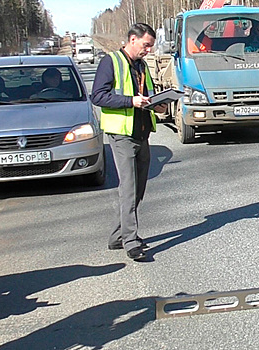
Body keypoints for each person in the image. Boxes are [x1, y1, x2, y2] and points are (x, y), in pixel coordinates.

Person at [91, 23, 167, 261]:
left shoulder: (142, 66)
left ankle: (117, 236)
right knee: (128, 187)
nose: (148, 50)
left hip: (142, 133)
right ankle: (131, 242)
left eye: (151, 46)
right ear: (132, 40)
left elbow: (148, 96)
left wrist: (159, 104)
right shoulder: (111, 62)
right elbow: (98, 96)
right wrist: (130, 101)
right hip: (121, 134)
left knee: (138, 189)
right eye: (146, 45)